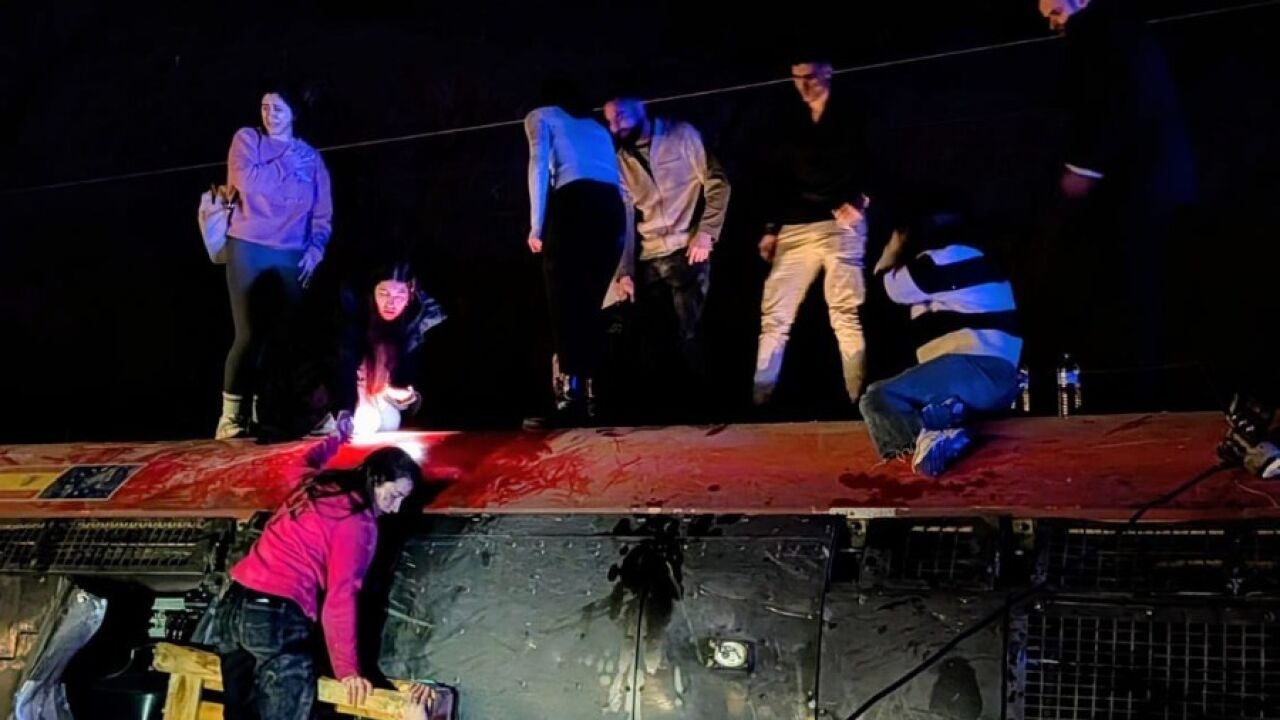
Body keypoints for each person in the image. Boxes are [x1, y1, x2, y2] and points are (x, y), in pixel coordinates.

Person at [1035, 0, 1196, 400]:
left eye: (1055, 12)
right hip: (1157, 186)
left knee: (1126, 292)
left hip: (1132, 189)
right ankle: (1143, 384)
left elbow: (1106, 105)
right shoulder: (1127, 28)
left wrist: (1083, 167)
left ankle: (1132, 388)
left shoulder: (1096, 32)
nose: (1053, 24)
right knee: (1145, 291)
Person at [213, 447, 436, 718]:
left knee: (240, 713)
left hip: (233, 605)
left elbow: (297, 461)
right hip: (275, 616)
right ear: (376, 479)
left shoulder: (316, 487)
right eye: (394, 495)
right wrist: (348, 670)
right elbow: (341, 599)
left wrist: (337, 437)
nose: (394, 508)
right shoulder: (358, 523)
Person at [860, 193, 1021, 476]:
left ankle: (913, 460)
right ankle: (944, 428)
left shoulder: (951, 256)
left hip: (976, 369)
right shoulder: (966, 262)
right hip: (979, 379)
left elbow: (887, 290)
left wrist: (892, 251)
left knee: (878, 398)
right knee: (931, 412)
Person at [753, 55, 873, 408]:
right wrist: (771, 229)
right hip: (796, 223)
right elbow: (776, 177)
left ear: (827, 73)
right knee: (775, 315)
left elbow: (876, 161)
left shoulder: (851, 114)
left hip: (841, 222)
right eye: (796, 78)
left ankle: (858, 400)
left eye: (810, 77)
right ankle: (760, 398)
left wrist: (860, 201)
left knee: (844, 311)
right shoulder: (789, 120)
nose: (803, 85)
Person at [217, 88, 334, 439]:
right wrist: (285, 164)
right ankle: (231, 417)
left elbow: (322, 213)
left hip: (291, 251)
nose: (270, 115)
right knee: (249, 333)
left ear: (294, 112)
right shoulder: (247, 139)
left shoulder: (311, 157)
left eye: (278, 108)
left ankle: (283, 412)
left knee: (290, 337)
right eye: (265, 107)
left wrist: (316, 249)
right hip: (249, 245)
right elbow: (247, 182)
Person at [603, 96, 731, 407]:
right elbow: (625, 216)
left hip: (686, 248)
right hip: (650, 253)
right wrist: (624, 272)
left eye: (620, 116)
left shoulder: (680, 135)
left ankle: (708, 407)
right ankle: (662, 410)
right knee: (650, 338)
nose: (615, 126)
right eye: (609, 121)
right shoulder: (620, 159)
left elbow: (717, 183)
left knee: (692, 332)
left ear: (640, 107)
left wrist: (706, 233)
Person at [524, 77, 628, 424]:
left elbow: (538, 164)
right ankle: (597, 394)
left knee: (564, 300)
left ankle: (572, 396)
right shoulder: (597, 127)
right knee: (590, 304)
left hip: (575, 203)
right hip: (611, 210)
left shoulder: (541, 115)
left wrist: (536, 225)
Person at [334, 263, 446, 437]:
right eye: (384, 293)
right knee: (366, 422)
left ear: (410, 296)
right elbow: (342, 370)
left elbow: (418, 383)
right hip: (357, 398)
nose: (391, 303)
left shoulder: (416, 329)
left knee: (389, 421)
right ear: (372, 293)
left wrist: (405, 395)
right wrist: (346, 407)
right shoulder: (354, 328)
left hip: (386, 402)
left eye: (400, 295)